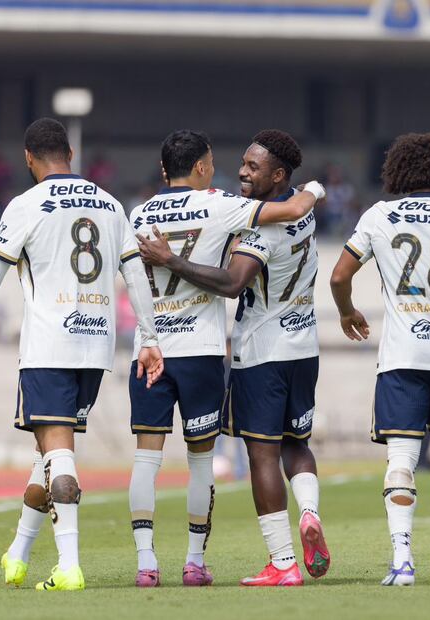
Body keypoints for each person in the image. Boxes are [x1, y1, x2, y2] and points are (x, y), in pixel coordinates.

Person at [0, 118, 165, 592]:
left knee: (58, 453)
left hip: (48, 345)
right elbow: (136, 276)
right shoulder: (109, 204)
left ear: (28, 158)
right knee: (47, 451)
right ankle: (18, 554)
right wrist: (149, 337)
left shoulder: (26, 204)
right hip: (96, 346)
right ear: (69, 153)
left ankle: (69, 566)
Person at [128, 130, 325, 588]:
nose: (236, 172)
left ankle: (145, 564)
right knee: (212, 460)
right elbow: (295, 208)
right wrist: (317, 187)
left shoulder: (138, 214)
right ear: (202, 167)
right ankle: (195, 562)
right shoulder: (221, 205)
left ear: (162, 170)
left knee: (147, 459)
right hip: (211, 351)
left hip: (154, 349)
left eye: (250, 167)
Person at [330, 131, 430, 586]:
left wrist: (347, 310)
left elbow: (339, 275)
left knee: (401, 458)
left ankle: (402, 561)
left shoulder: (380, 215)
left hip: (402, 356)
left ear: (398, 173)